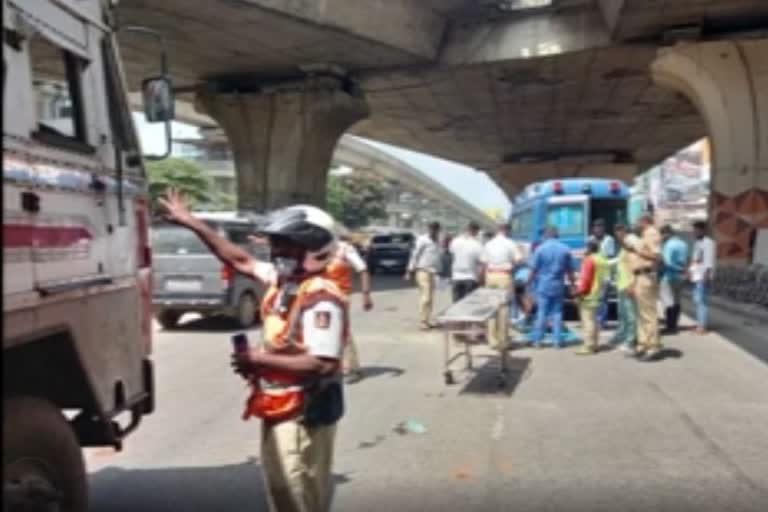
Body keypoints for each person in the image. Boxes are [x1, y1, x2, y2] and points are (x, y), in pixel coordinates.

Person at [160, 189, 346, 512]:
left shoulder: (321, 297)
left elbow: (320, 364)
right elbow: (239, 259)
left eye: (287, 244)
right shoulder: (285, 281)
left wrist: (258, 359)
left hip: (305, 408)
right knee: (281, 489)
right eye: (276, 244)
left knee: (296, 491)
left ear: (315, 247)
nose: (277, 252)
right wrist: (192, 223)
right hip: (280, 403)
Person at [325, 234, 373, 382]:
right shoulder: (315, 249)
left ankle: (352, 368)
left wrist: (366, 294)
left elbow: (363, 270)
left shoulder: (344, 249)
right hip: (318, 296)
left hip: (340, 297)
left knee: (341, 331)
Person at [527, 226, 576, 349]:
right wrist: (573, 285)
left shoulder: (540, 249)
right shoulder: (565, 249)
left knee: (542, 312)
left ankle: (537, 341)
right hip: (558, 284)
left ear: (546, 235)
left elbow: (533, 270)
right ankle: (557, 341)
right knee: (557, 312)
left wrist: (528, 284)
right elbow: (570, 271)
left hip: (543, 284)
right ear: (557, 235)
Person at [625, 214, 663, 361]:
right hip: (639, 276)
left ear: (645, 221)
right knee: (641, 314)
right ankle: (643, 344)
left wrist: (637, 249)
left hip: (646, 276)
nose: (637, 224)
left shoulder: (652, 233)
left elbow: (656, 256)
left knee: (648, 314)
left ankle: (653, 346)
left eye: (639, 221)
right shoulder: (645, 235)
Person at [481, 223, 523, 350]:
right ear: (507, 230)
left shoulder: (488, 244)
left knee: (492, 308)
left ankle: (492, 340)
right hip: (504, 276)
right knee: (503, 309)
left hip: (490, 276)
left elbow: (483, 261)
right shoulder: (510, 243)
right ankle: (503, 340)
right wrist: (512, 265)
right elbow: (519, 259)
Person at [573, 240, 610, 355]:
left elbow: (586, 279)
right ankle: (595, 344)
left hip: (588, 294)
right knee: (594, 321)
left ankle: (588, 345)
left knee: (587, 321)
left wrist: (578, 293)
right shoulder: (602, 259)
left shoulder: (589, 260)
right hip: (598, 292)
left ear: (589, 248)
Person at [405, 222, 443, 330]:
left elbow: (437, 256)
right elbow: (415, 255)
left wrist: (440, 270)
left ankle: (428, 319)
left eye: (435, 229)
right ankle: (422, 321)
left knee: (431, 297)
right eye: (431, 229)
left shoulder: (438, 241)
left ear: (438, 230)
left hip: (433, 272)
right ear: (428, 229)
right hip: (422, 271)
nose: (433, 231)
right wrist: (409, 270)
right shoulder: (422, 240)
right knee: (425, 296)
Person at [609, 224, 639, 354]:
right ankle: (622, 336)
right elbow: (619, 260)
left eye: (618, 233)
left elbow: (635, 265)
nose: (617, 237)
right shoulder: (625, 245)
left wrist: (632, 283)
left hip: (628, 284)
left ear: (622, 231)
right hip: (621, 284)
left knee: (630, 314)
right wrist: (602, 262)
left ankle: (631, 341)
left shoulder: (632, 242)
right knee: (622, 314)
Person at [660, 225, 689, 334]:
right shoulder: (684, 244)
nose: (662, 237)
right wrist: (683, 270)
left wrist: (677, 269)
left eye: (662, 235)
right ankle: (675, 325)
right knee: (677, 300)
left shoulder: (668, 245)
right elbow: (686, 260)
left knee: (668, 301)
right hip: (681, 277)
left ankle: (670, 326)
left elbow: (667, 262)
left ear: (667, 233)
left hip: (670, 276)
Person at [590, 219, 617, 328]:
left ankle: (601, 321)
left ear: (603, 228)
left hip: (605, 274)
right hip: (593, 274)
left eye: (600, 227)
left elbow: (610, 256)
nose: (598, 229)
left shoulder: (609, 239)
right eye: (596, 227)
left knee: (603, 299)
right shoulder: (590, 239)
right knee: (593, 298)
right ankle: (594, 320)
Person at [690, 220, 715, 334]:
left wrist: (706, 275)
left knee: (702, 301)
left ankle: (702, 326)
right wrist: (690, 272)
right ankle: (699, 323)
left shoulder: (708, 243)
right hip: (697, 275)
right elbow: (695, 260)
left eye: (697, 229)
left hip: (703, 276)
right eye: (694, 229)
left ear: (703, 230)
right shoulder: (697, 243)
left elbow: (709, 261)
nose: (695, 232)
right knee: (697, 300)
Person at [449, 222, 484, 302]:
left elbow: (452, 255)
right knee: (468, 306)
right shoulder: (477, 245)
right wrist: (481, 279)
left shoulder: (455, 241)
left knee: (455, 305)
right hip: (471, 278)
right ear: (475, 231)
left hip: (456, 277)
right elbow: (481, 263)